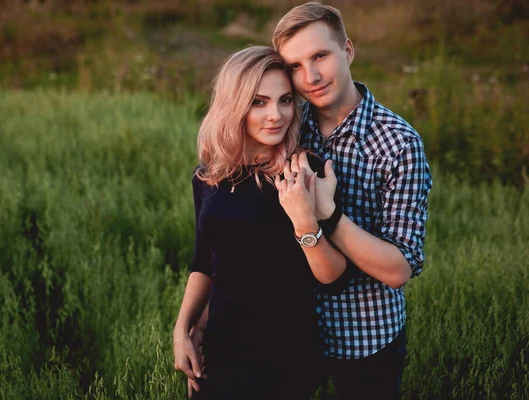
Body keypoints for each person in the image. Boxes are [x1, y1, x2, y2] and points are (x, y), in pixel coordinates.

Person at [271, 2, 433, 399]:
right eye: (294, 65)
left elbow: (398, 269)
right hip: (291, 334)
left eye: (320, 56)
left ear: (347, 51)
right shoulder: (286, 126)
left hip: (367, 339)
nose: (310, 77)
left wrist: (328, 213)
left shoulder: (399, 144)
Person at [172, 45, 347, 400]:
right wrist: (183, 331)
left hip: (283, 357)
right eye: (259, 102)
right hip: (219, 350)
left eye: (285, 100)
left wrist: (303, 221)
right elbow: (204, 260)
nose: (276, 115)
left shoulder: (303, 172)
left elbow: (332, 276)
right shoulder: (209, 176)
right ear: (234, 105)